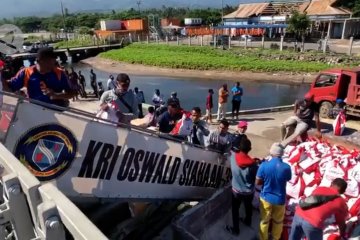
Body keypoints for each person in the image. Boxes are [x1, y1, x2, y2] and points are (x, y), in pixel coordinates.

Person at [2, 48, 74, 107]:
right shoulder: (26, 73)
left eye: (54, 62)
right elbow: (8, 87)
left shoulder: (59, 73)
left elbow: (72, 93)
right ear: (39, 61)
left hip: (57, 113)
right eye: (49, 63)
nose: (52, 66)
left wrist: (56, 95)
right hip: (36, 114)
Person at [255, 143, 292, 240]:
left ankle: (263, 238)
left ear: (271, 153)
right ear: (281, 154)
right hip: (280, 199)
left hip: (266, 198)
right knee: (278, 222)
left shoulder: (264, 165)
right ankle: (275, 238)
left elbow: (258, 182)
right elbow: (288, 178)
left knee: (264, 221)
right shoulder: (286, 167)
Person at [226, 138, 258, 236]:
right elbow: (255, 180)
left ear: (239, 148)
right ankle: (248, 221)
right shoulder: (253, 165)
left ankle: (236, 230)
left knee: (235, 210)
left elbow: (230, 151)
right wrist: (254, 161)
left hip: (236, 191)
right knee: (248, 207)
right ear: (250, 149)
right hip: (248, 192)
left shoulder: (233, 158)